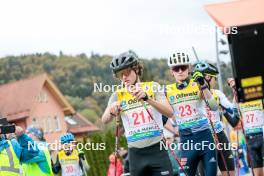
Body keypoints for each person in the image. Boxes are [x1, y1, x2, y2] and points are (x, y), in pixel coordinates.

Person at [102, 50, 174, 176]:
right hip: (135, 155)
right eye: (120, 74)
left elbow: (169, 112)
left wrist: (148, 99)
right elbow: (104, 119)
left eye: (127, 72)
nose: (124, 77)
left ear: (136, 69)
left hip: (157, 150)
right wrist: (111, 110)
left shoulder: (153, 87)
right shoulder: (117, 95)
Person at [165, 52, 218, 176]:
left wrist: (203, 85)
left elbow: (214, 107)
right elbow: (163, 116)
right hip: (187, 141)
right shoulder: (167, 90)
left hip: (205, 138)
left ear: (188, 68)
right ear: (171, 71)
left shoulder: (197, 84)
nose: (179, 71)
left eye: (183, 67)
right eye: (176, 68)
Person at [193, 61, 240, 176]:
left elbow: (232, 109)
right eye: (214, 78)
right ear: (208, 77)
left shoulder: (217, 93)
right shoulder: (192, 94)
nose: (215, 80)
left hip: (220, 135)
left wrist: (235, 91)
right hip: (203, 137)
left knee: (230, 172)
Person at [228, 78, 264, 176]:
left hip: (262, 135)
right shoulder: (237, 99)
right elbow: (234, 119)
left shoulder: (258, 94)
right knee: (258, 174)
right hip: (250, 139)